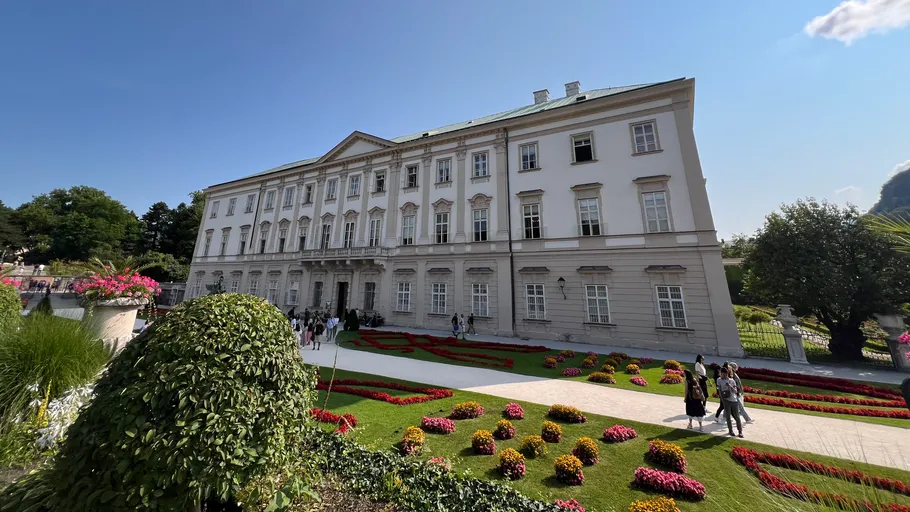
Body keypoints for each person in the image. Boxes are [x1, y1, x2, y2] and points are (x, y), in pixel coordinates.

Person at [717, 367, 743, 437]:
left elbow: (735, 391)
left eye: (722, 374)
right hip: (726, 401)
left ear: (726, 374)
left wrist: (730, 386)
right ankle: (730, 431)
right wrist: (722, 400)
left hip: (734, 400)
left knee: (737, 417)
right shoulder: (719, 380)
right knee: (728, 416)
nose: (721, 375)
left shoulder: (732, 381)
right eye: (721, 374)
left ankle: (740, 431)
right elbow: (719, 390)